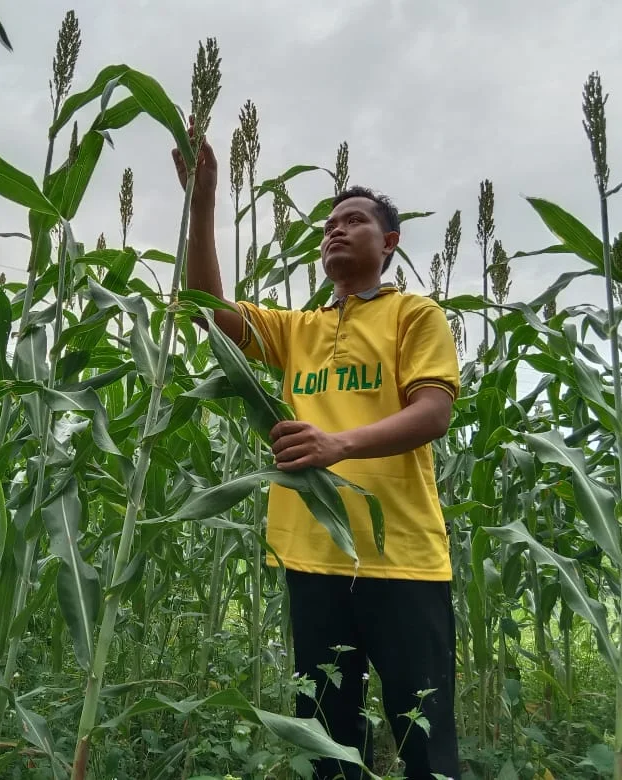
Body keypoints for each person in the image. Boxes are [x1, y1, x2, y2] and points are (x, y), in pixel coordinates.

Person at [173, 123, 461, 780]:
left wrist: (338, 443)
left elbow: (432, 412)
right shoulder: (298, 330)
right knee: (329, 748)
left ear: (388, 243)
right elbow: (212, 314)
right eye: (328, 224)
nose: (334, 231)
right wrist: (202, 202)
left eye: (353, 221)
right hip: (312, 561)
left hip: (404, 564)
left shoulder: (414, 316)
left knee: (425, 745)